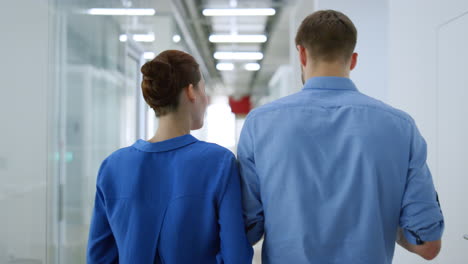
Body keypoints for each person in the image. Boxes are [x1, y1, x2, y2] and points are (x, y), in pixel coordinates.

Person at [237, 10, 444, 264]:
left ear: (301, 53)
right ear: (353, 59)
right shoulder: (400, 127)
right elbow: (428, 245)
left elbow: (247, 230)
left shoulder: (260, 124)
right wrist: (384, 221)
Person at [87, 50, 253, 263]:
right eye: (203, 88)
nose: (205, 98)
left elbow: (99, 257)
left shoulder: (113, 167)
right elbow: (236, 256)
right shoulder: (218, 163)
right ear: (191, 92)